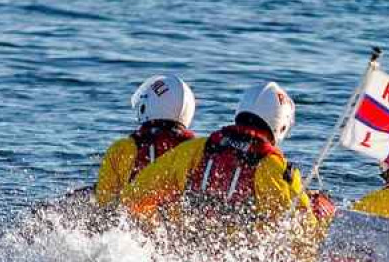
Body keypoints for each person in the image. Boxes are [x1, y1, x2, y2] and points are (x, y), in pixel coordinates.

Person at [122, 81, 315, 231]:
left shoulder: (195, 149)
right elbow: (304, 229)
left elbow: (134, 196)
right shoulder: (273, 166)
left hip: (184, 252)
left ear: (239, 110)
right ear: (281, 126)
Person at [94, 74, 196, 209]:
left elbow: (103, 201)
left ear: (146, 106)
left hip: (133, 222)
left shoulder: (123, 148)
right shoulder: (197, 149)